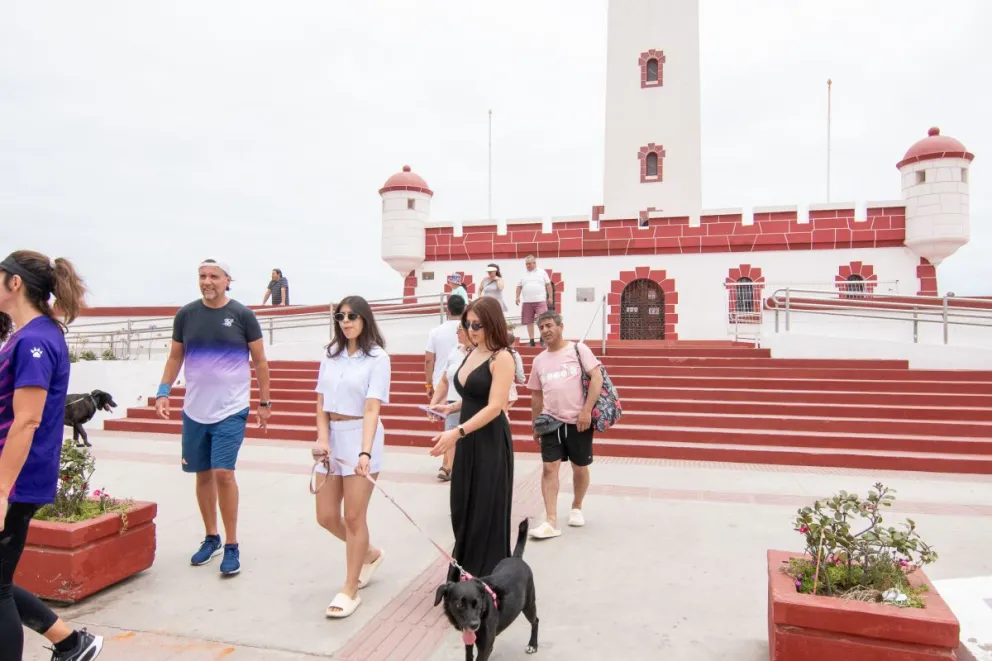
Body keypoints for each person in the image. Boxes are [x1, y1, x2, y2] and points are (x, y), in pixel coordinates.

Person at [0, 250, 105, 661]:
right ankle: (71, 643)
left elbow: (27, 420)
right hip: (15, 475)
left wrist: (2, 490)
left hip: (17, 479)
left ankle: (72, 644)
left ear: (15, 283)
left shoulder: (35, 341)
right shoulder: (30, 335)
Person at [155, 259, 271, 577]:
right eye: (202, 276)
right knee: (202, 475)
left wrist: (264, 402)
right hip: (195, 410)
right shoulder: (186, 315)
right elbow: (175, 356)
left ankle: (232, 545)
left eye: (214, 276)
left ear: (227, 280)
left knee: (223, 473)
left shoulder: (243, 315)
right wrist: (163, 391)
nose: (207, 281)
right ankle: (212, 538)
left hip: (231, 409)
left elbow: (260, 361)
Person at [312, 296, 390, 619]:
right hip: (332, 438)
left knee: (355, 517)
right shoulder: (331, 354)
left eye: (352, 316)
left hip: (361, 435)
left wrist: (365, 451)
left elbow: (372, 408)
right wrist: (322, 438)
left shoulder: (378, 358)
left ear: (364, 319)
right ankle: (369, 553)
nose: (346, 321)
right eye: (340, 316)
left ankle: (349, 589)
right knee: (326, 515)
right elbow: (321, 403)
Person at [429, 296, 515, 582]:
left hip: (489, 440)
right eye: (467, 324)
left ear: (492, 323)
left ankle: (485, 580)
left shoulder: (502, 357)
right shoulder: (471, 352)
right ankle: (466, 573)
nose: (471, 329)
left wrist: (457, 431)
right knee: (462, 506)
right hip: (468, 438)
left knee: (484, 509)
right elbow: (473, 396)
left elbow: (495, 406)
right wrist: (451, 407)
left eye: (477, 324)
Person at [527, 311, 603, 540]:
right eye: (541, 327)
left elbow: (597, 378)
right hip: (550, 421)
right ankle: (550, 521)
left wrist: (586, 410)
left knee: (580, 467)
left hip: (578, 421)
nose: (545, 331)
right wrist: (535, 423)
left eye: (549, 325)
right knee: (549, 468)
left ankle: (577, 507)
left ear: (561, 326)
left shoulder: (579, 350)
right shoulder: (539, 360)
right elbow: (536, 395)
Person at [427, 322, 470, 481]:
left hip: (472, 405)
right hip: (452, 402)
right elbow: (444, 381)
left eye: (460, 330)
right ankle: (450, 468)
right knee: (450, 437)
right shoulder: (455, 351)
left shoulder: (478, 354)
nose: (457, 333)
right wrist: (433, 403)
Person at [424, 294, 466, 403]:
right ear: (464, 310)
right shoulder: (468, 331)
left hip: (439, 382)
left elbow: (429, 360)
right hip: (462, 381)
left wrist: (428, 384)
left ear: (448, 310)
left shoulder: (435, 332)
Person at [515, 255, 552, 347]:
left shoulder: (542, 272)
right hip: (527, 302)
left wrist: (550, 297)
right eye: (526, 264)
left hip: (540, 301)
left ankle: (542, 339)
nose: (527, 265)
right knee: (529, 322)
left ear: (534, 263)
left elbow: (548, 285)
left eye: (529, 264)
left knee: (542, 320)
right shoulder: (523, 274)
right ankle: (531, 341)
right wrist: (517, 297)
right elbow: (519, 286)